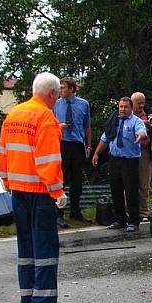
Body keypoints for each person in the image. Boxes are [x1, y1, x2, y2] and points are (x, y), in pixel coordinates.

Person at [0, 72, 70, 303]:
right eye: (57, 95)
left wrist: (8, 182)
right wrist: (58, 192)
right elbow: (48, 161)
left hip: (18, 190)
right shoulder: (45, 118)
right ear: (51, 94)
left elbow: (3, 153)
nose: (57, 100)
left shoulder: (14, 114)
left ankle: (26, 298)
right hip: (40, 193)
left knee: (26, 248)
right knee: (45, 248)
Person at [92, 97, 147, 233]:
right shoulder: (114, 121)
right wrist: (97, 153)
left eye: (125, 107)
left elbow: (142, 132)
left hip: (129, 161)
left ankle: (134, 221)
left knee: (131, 191)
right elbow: (105, 138)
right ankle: (119, 219)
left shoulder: (136, 121)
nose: (122, 109)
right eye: (121, 107)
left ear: (131, 108)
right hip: (115, 159)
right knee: (115, 190)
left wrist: (140, 136)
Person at [53, 77, 92, 227]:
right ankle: (59, 213)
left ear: (71, 89)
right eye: (60, 88)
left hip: (77, 144)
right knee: (61, 179)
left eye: (63, 88)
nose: (60, 90)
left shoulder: (83, 104)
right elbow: (50, 124)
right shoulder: (56, 104)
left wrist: (88, 145)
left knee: (77, 180)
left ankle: (75, 211)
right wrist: (60, 126)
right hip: (62, 144)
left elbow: (87, 126)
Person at [131, 92, 152, 221]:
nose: (141, 105)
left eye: (143, 102)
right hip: (130, 151)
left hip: (144, 151)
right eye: (138, 103)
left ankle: (143, 211)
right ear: (132, 103)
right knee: (130, 182)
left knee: (144, 183)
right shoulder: (126, 113)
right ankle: (130, 210)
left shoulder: (150, 114)